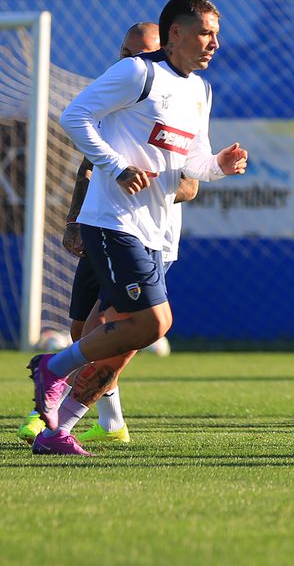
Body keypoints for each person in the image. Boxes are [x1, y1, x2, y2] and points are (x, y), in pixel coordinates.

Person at [30, 0, 248, 456]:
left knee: (117, 343)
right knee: (153, 322)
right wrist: (116, 166)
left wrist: (219, 166)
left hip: (158, 233)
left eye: (217, 35)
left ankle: (57, 430)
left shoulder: (200, 90)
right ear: (176, 35)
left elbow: (192, 163)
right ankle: (51, 368)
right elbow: (74, 116)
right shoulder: (138, 72)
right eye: (206, 33)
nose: (214, 43)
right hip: (113, 221)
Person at [16, 23, 200, 446]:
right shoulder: (116, 102)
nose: (132, 60)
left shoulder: (179, 101)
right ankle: (110, 421)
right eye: (125, 51)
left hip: (149, 238)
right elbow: (89, 168)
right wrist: (73, 220)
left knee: (124, 332)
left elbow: (190, 183)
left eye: (144, 53)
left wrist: (149, 184)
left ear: (167, 52)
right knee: (86, 332)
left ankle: (53, 423)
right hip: (106, 229)